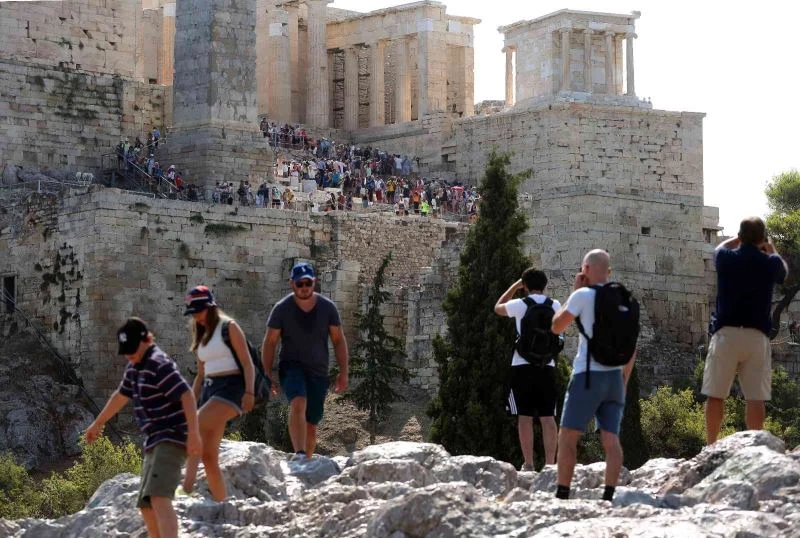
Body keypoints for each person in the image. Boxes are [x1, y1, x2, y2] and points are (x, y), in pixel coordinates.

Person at [84, 318, 201, 538]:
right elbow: (120, 396)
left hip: (171, 438)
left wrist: (194, 434)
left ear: (147, 340)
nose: (129, 355)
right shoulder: (135, 367)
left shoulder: (159, 363)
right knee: (146, 506)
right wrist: (98, 423)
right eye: (126, 351)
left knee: (159, 498)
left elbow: (186, 395)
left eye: (132, 350)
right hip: (153, 442)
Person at [551, 249, 636, 502]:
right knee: (611, 440)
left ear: (586, 269)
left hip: (587, 375)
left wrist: (573, 292)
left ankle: (562, 494)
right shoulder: (625, 300)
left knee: (567, 436)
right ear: (608, 272)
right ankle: (608, 496)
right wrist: (623, 381)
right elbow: (632, 348)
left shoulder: (584, 296)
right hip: (615, 380)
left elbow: (556, 326)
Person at [703, 217, 787, 444]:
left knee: (716, 394)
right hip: (756, 336)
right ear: (761, 238)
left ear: (740, 236)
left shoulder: (727, 259)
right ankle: (755, 447)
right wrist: (769, 247)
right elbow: (783, 272)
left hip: (726, 333)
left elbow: (719, 248)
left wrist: (738, 239)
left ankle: (711, 444)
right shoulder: (768, 263)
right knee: (755, 398)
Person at [262, 262, 349, 461]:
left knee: (312, 423)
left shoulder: (328, 308)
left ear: (314, 282)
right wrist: (266, 373)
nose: (304, 288)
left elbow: (338, 340)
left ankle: (306, 461)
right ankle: (300, 454)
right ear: (292, 283)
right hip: (291, 366)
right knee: (298, 401)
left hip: (318, 371)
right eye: (299, 283)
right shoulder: (282, 309)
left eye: (307, 283)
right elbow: (270, 342)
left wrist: (344, 371)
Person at [182, 285, 257, 501]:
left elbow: (247, 363)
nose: (196, 316)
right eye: (192, 312)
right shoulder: (201, 334)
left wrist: (250, 392)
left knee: (193, 427)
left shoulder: (229, 327)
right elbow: (200, 374)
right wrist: (190, 401)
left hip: (231, 389)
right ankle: (221, 502)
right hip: (210, 390)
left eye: (198, 310)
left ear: (210, 307)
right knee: (208, 456)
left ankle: (185, 488)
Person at [494, 268, 561, 471]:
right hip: (547, 365)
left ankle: (529, 463)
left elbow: (498, 308)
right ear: (545, 285)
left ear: (525, 286)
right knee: (548, 418)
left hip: (522, 365)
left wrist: (515, 286)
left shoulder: (520, 304)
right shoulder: (555, 305)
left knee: (524, 417)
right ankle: (550, 465)